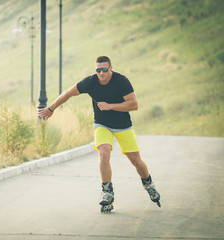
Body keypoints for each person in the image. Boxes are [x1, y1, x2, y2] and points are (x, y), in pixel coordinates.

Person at [38, 56, 160, 213]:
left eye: (104, 69)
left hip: (123, 126)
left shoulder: (121, 81)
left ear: (111, 68)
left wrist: (111, 106)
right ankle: (107, 192)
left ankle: (148, 183)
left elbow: (134, 105)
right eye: (98, 70)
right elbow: (68, 93)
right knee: (104, 154)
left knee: (136, 160)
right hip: (102, 124)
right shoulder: (91, 82)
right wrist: (51, 108)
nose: (101, 73)